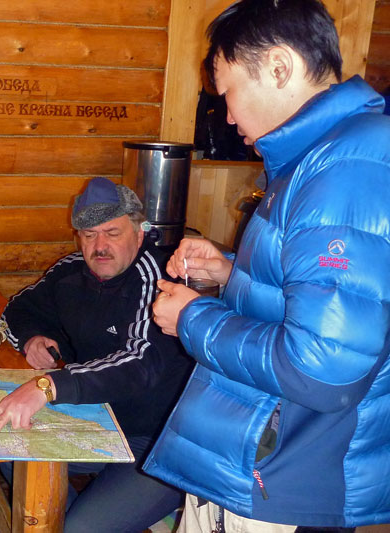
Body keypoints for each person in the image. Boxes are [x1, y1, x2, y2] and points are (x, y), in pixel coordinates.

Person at [145, 0, 390, 530]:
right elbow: (322, 299)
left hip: (282, 477)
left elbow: (320, 366)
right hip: (256, 459)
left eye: (229, 92)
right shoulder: (318, 158)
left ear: (280, 68)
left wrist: (192, 317)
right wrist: (231, 272)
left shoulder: (346, 168)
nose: (228, 117)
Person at [0, 177, 193, 533]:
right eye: (89, 235)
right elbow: (18, 308)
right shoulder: (70, 271)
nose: (100, 246)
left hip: (159, 440)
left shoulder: (159, 280)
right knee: (10, 449)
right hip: (98, 419)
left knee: (80, 529)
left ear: (139, 234)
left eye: (112, 232)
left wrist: (49, 385)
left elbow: (139, 362)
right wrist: (32, 338)